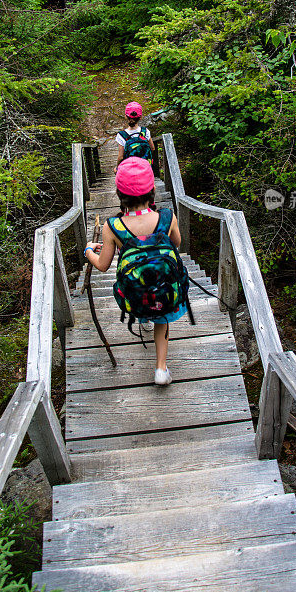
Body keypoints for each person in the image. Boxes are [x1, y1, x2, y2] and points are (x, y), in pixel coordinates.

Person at [84, 157, 187, 386]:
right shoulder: (167, 217)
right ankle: (161, 369)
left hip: (135, 293)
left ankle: (144, 315)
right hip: (164, 288)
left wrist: (89, 251)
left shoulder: (113, 226)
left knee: (140, 289)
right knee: (162, 317)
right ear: (151, 190)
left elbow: (102, 265)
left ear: (120, 194)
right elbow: (176, 243)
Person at [115, 101, 155, 172]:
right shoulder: (145, 131)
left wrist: (117, 168)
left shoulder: (121, 135)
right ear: (140, 117)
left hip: (129, 170)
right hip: (145, 169)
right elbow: (152, 148)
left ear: (125, 116)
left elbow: (121, 157)